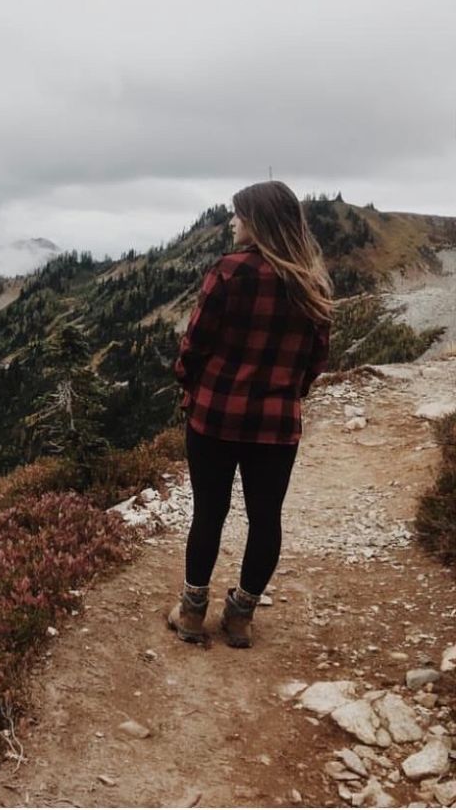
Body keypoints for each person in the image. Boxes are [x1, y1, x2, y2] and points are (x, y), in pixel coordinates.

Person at [167, 181, 332, 648]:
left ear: (257, 222)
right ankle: (240, 617)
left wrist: (189, 383)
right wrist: (288, 394)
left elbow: (194, 346)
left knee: (209, 512)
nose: (232, 222)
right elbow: (316, 360)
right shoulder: (310, 282)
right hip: (277, 424)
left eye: (238, 215)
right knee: (266, 519)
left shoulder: (228, 272)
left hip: (214, 416)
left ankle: (193, 614)